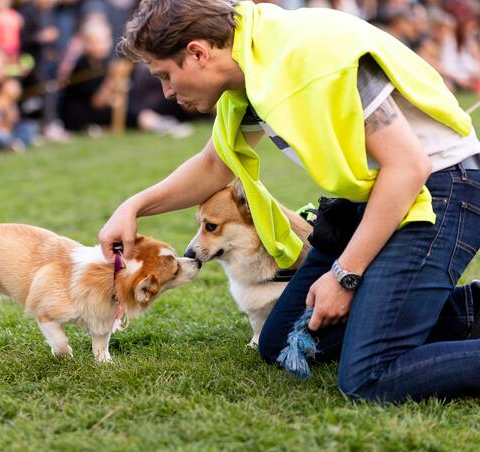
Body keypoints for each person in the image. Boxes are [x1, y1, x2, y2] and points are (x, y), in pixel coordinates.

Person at [98, 0, 480, 403]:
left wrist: (344, 275)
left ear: (197, 53)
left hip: (443, 187)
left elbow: (407, 167)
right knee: (279, 341)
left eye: (165, 76)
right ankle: (471, 311)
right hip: (377, 194)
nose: (167, 92)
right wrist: (132, 207)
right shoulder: (253, 62)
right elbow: (214, 164)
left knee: (370, 375)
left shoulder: (308, 56)